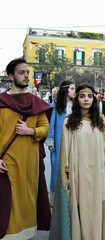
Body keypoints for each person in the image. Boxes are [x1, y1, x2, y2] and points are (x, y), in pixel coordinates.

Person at [49, 84, 105, 240]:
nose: (86, 99)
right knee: (81, 207)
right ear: (77, 98)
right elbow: (65, 152)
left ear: (94, 99)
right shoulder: (69, 122)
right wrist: (66, 177)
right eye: (82, 96)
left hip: (99, 174)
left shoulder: (100, 121)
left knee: (98, 206)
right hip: (78, 173)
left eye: (89, 96)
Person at [0, 58, 53, 239]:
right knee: (8, 203)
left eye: (27, 72)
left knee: (28, 201)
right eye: (21, 72)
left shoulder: (36, 103)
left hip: (30, 165)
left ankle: (27, 234)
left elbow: (45, 127)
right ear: (11, 76)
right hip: (7, 164)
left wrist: (30, 130)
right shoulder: (1, 103)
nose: (26, 75)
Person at [45, 80, 76, 205]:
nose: (75, 91)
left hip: (74, 142)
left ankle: (70, 198)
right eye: (73, 88)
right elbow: (51, 124)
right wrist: (51, 142)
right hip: (60, 142)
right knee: (57, 168)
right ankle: (54, 199)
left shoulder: (76, 106)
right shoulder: (55, 105)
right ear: (66, 90)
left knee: (73, 168)